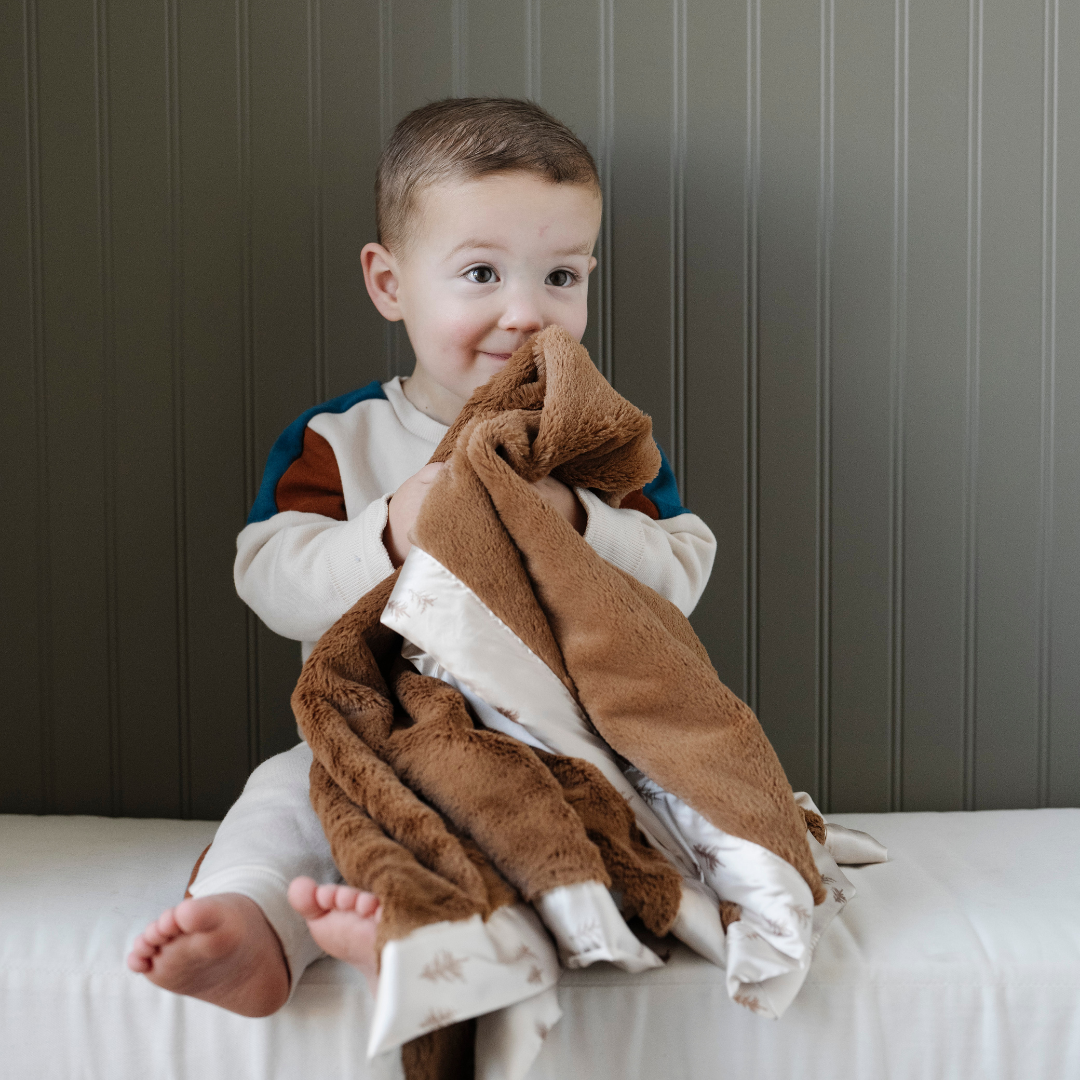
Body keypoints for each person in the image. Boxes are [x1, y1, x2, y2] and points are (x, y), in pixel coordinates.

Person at [126, 97, 716, 1017]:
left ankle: (436, 936)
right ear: (390, 282)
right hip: (382, 735)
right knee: (289, 795)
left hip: (554, 742)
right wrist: (391, 530)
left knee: (597, 818)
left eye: (562, 276)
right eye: (481, 272)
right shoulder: (342, 440)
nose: (527, 313)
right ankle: (249, 928)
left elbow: (680, 575)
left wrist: (577, 518)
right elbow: (273, 578)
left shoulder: (595, 442)